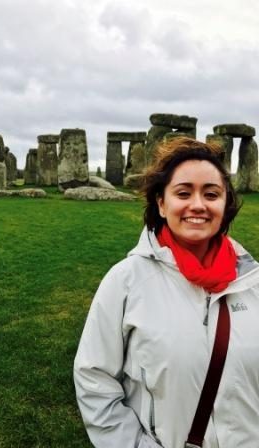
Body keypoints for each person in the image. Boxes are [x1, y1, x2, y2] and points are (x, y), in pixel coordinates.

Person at [73, 137, 259, 448]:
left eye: (211, 194)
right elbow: (94, 379)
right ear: (161, 203)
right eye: (183, 193)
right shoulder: (126, 281)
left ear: (225, 204)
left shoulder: (253, 281)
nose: (198, 205)